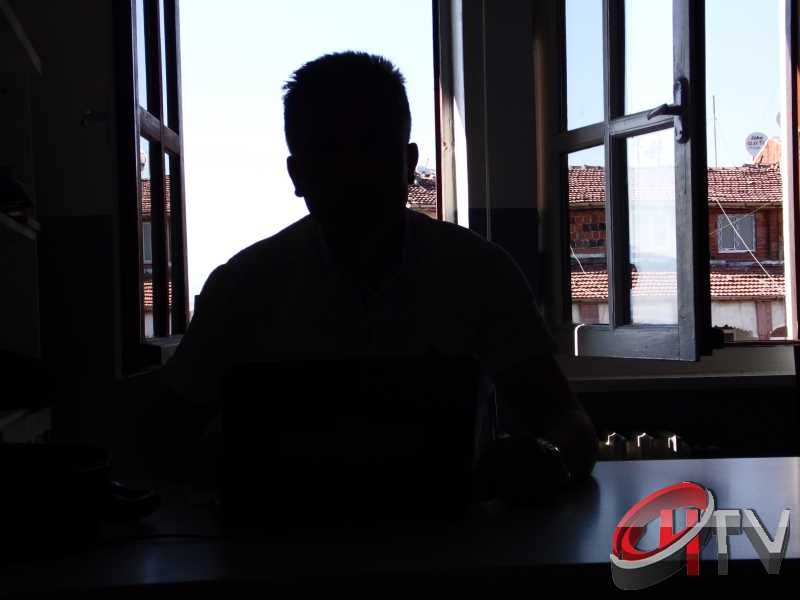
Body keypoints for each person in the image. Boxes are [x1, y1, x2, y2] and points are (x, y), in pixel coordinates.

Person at [151, 51, 597, 504]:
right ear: (409, 163)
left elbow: (161, 443)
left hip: (282, 541)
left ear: (296, 175)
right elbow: (570, 428)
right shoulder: (479, 272)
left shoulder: (242, 286)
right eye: (331, 154)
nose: (352, 175)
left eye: (368, 150)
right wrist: (548, 457)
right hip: (451, 540)